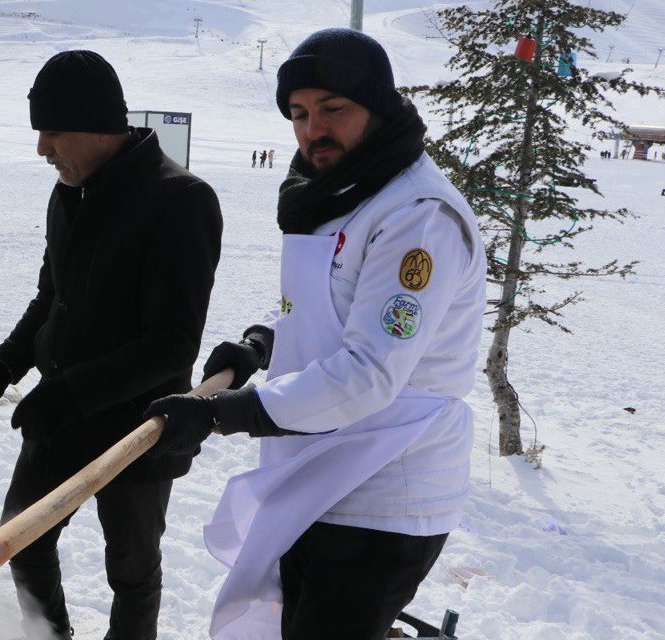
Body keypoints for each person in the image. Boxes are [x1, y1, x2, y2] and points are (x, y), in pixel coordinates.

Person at [144, 28, 487, 639]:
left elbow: (370, 371)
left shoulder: (416, 219)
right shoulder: (343, 192)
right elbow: (333, 309)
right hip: (321, 471)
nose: (312, 130)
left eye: (334, 109)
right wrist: (263, 343)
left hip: (385, 487)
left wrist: (227, 413)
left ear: (377, 111)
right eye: (299, 114)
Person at [0, 50, 222, 640]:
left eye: (53, 131)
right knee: (23, 540)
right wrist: (1, 368)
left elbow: (171, 344)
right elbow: (51, 299)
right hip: (61, 415)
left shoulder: (181, 200)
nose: (43, 148)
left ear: (98, 126)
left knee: (133, 572)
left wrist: (68, 393)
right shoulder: (70, 191)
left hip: (139, 424)